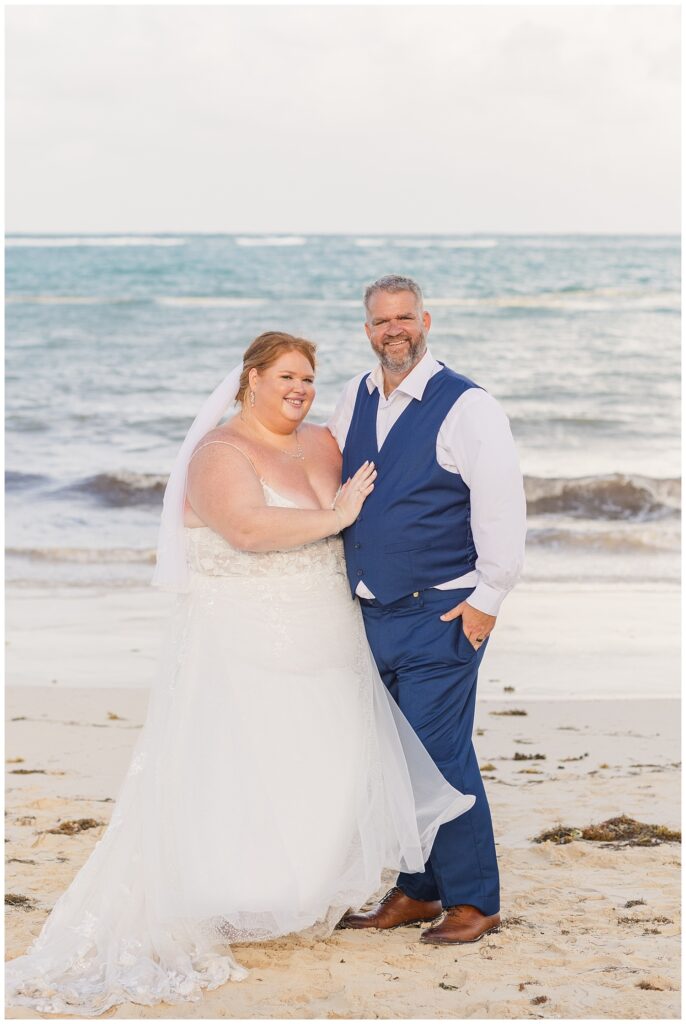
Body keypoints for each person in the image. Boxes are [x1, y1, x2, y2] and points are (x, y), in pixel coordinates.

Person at [6, 330, 475, 1016]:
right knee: (250, 762)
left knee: (326, 763)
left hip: (328, 633)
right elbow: (248, 530)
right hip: (247, 637)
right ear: (249, 379)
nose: (300, 388)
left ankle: (293, 894)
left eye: (309, 378)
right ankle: (237, 895)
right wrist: (336, 513)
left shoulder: (321, 442)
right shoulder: (218, 451)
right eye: (286, 375)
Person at [328, 277, 527, 945]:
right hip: (370, 616)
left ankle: (475, 902)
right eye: (382, 320)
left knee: (438, 757)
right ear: (367, 330)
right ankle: (419, 890)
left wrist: (487, 601)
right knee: (394, 757)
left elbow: (500, 506)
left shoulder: (467, 406)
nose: (394, 329)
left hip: (442, 613)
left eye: (405, 317)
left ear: (426, 321)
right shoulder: (353, 398)